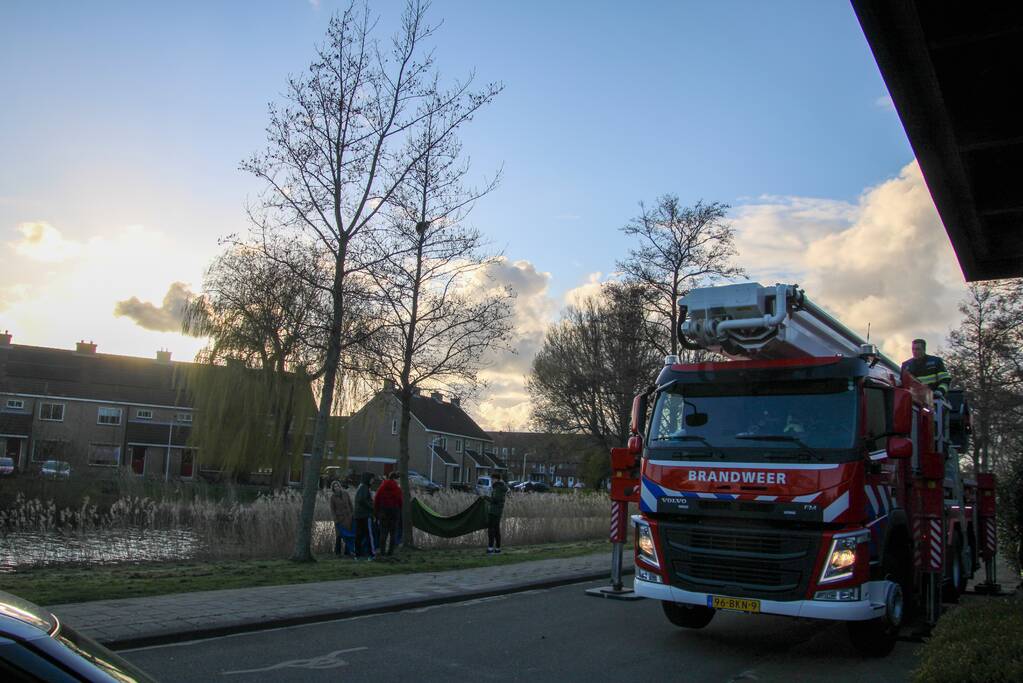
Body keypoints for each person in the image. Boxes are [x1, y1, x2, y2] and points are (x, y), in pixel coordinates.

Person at [374, 471, 403, 556]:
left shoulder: (382, 487)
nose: (398, 481)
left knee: (383, 533)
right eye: (398, 479)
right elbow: (400, 502)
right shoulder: (397, 489)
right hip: (394, 512)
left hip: (383, 512)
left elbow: (376, 500)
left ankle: (382, 552)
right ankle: (390, 552)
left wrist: (376, 512)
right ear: (395, 478)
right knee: (393, 534)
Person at [485, 471, 509, 555]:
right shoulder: (500, 487)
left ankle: (490, 548)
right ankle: (498, 549)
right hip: (498, 511)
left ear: (496, 479)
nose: (491, 481)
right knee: (496, 530)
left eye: (492, 479)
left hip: (494, 511)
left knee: (491, 530)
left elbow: (495, 500)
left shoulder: (497, 487)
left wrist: (486, 498)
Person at [353, 471, 375, 560]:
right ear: (368, 479)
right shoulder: (364, 487)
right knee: (369, 535)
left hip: (358, 516)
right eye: (372, 479)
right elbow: (363, 500)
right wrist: (372, 506)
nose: (373, 481)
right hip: (365, 515)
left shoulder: (360, 487)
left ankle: (358, 555)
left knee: (359, 535)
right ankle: (371, 554)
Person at [329, 480, 354, 557]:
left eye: (337, 486)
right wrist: (335, 519)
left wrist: (352, 514)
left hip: (348, 518)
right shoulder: (332, 497)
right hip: (339, 519)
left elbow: (350, 504)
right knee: (339, 536)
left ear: (340, 486)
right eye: (335, 487)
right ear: (333, 488)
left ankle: (347, 552)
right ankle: (338, 552)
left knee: (348, 535)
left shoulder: (345, 494)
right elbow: (332, 509)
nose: (336, 488)